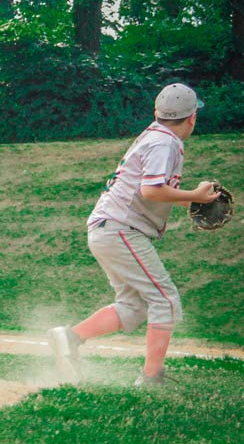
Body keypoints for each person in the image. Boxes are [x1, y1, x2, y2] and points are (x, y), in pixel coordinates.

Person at [47, 83, 221, 386]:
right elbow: (150, 190)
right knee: (165, 300)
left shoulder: (154, 136)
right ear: (192, 117)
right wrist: (195, 194)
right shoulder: (165, 143)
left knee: (135, 306)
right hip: (120, 229)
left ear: (158, 112)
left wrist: (194, 199)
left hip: (110, 228)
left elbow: (149, 190)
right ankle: (152, 378)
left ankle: (70, 338)